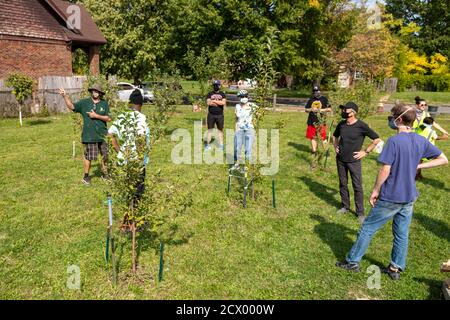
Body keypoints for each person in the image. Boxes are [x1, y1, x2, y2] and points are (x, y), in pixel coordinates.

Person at [336, 103, 448, 280]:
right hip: (409, 197)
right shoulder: (420, 139)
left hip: (391, 196)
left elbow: (385, 170)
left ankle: (352, 261)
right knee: (401, 234)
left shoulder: (394, 141)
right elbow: (443, 159)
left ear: (400, 120)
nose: (391, 119)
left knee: (368, 228)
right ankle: (395, 268)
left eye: (392, 116)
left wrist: (375, 190)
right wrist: (419, 165)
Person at [333, 102, 381, 223]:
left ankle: (360, 213)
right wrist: (336, 146)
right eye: (343, 110)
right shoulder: (341, 124)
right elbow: (335, 136)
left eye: (346, 110)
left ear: (353, 112)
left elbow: (376, 139)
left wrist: (365, 152)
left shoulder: (361, 126)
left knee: (357, 186)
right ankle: (345, 206)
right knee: (343, 184)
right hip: (340, 160)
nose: (343, 112)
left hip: (354, 161)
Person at [108, 89, 150, 228]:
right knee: (137, 192)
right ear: (141, 104)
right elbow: (141, 138)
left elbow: (110, 134)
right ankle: (133, 223)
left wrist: (119, 151)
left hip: (123, 160)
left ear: (130, 103)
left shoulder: (122, 116)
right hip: (135, 162)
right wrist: (139, 157)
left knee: (127, 191)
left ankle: (127, 221)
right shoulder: (141, 118)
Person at [60, 84, 111, 185]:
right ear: (91, 92)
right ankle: (86, 177)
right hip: (90, 135)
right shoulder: (84, 103)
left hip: (103, 134)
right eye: (93, 91)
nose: (95, 93)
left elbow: (109, 118)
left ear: (100, 93)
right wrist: (64, 96)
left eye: (97, 91)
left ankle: (105, 174)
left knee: (105, 155)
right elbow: (72, 107)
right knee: (89, 156)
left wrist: (96, 116)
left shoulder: (104, 104)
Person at [305, 86, 332, 167]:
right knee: (312, 137)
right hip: (311, 122)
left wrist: (321, 110)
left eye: (317, 91)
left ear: (320, 91)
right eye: (314, 91)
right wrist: (311, 109)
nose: (316, 92)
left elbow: (329, 109)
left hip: (321, 122)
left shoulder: (324, 99)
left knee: (323, 137)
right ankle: (314, 151)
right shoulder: (311, 99)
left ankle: (326, 151)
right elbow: (306, 109)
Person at [232, 90, 256, 170]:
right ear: (239, 98)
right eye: (241, 97)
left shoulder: (252, 106)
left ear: (247, 97)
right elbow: (236, 118)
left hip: (249, 129)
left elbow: (259, 114)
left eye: (245, 96)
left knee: (248, 148)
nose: (243, 98)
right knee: (236, 147)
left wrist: (254, 124)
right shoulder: (237, 106)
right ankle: (236, 163)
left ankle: (247, 165)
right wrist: (235, 128)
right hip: (239, 128)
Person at [205, 80, 227, 151]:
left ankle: (221, 145)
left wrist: (214, 101)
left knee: (220, 130)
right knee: (209, 130)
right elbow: (208, 103)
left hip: (220, 115)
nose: (216, 86)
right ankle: (207, 145)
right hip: (211, 115)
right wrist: (218, 102)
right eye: (214, 85)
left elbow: (223, 103)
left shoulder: (222, 94)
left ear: (220, 86)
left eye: (217, 85)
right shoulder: (209, 94)